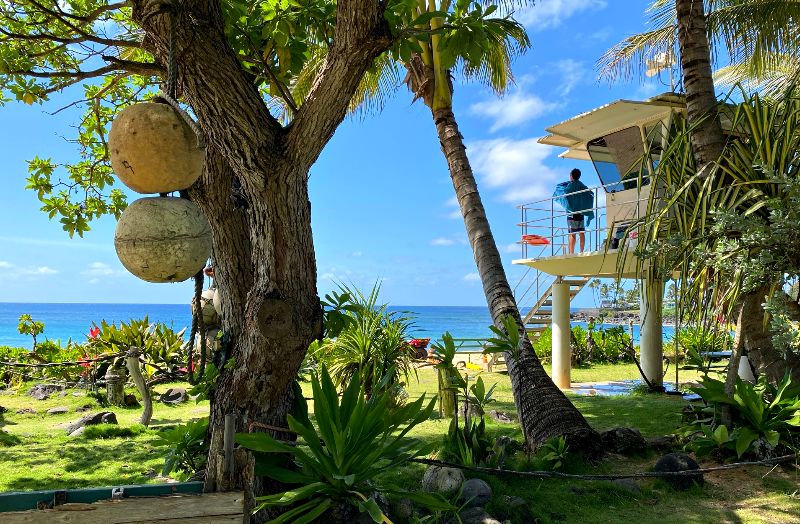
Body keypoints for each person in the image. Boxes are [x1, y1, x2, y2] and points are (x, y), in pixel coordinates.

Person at [553, 168, 594, 254]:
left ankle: (571, 253)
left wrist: (568, 183)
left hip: (571, 214)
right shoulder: (582, 185)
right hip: (580, 213)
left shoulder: (569, 186)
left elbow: (561, 190)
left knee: (572, 234)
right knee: (581, 232)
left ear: (571, 176)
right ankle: (581, 251)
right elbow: (590, 194)